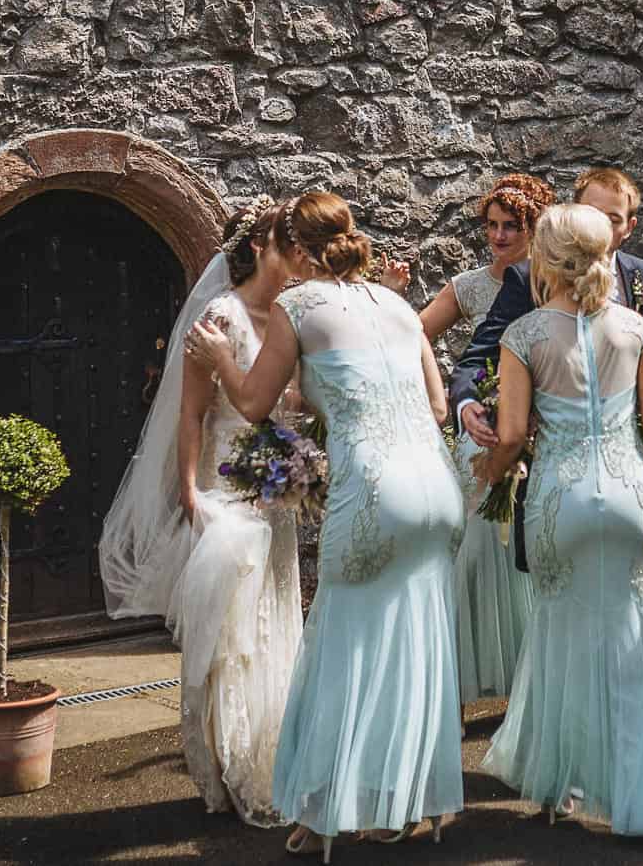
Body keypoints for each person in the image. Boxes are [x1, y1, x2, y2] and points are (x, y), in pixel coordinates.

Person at [190, 191, 466, 859]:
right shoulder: (398, 305)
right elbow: (435, 403)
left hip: (374, 492)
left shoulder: (298, 305)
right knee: (414, 642)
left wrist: (218, 356)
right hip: (436, 486)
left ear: (295, 251)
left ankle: (327, 811)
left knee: (341, 644)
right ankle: (405, 803)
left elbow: (254, 401)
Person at [475, 204, 643, 842]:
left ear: (545, 259)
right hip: (631, 495)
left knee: (559, 636)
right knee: (633, 639)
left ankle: (559, 787)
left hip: (561, 501)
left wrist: (486, 476)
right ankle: (641, 799)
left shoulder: (524, 336)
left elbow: (513, 434)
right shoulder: (633, 329)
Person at [98, 198, 304, 823]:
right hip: (225, 490)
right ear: (258, 248)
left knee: (275, 626)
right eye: (287, 243)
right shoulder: (221, 316)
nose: (298, 254)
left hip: (279, 493)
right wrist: (188, 491)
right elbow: (190, 411)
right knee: (229, 636)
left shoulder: (294, 316)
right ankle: (231, 762)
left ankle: (276, 755)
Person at [453, 167, 643, 569]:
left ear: (628, 227)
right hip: (587, 483)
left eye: (611, 218)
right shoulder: (526, 281)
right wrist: (467, 401)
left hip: (569, 490)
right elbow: (478, 355)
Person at [408, 172, 554, 704]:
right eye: (491, 226)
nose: (497, 236)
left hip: (541, 430)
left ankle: (531, 680)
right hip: (482, 431)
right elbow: (414, 334)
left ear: (534, 227)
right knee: (469, 552)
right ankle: (457, 679)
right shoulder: (471, 286)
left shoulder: (548, 282)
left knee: (530, 555)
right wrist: (450, 401)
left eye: (509, 226)